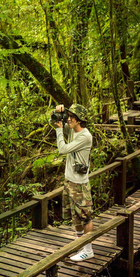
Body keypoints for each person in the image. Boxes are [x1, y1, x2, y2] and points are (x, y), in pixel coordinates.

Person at [52, 103, 94, 261]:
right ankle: (79, 244)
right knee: (74, 217)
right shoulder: (71, 130)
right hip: (69, 181)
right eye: (68, 116)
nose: (68, 120)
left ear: (79, 120)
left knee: (85, 217)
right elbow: (53, 119)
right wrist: (58, 111)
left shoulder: (85, 136)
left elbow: (62, 149)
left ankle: (88, 249)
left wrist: (58, 130)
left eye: (72, 118)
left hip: (79, 184)